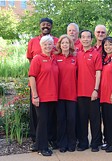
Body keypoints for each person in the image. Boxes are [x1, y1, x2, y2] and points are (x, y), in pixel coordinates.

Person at [26, 18, 58, 151]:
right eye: (45, 45)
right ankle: (41, 146)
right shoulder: (37, 58)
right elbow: (32, 75)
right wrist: (35, 94)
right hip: (39, 93)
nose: (48, 46)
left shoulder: (54, 59)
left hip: (52, 93)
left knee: (46, 120)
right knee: (41, 120)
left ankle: (41, 143)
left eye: (50, 45)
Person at [76, 30, 102, 152]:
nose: (85, 39)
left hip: (93, 92)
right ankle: (83, 143)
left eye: (88, 37)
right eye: (83, 37)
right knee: (82, 119)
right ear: (80, 39)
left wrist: (96, 89)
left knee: (95, 119)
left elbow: (98, 72)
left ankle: (95, 143)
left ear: (91, 39)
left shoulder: (96, 54)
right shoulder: (77, 54)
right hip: (80, 92)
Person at [54, 35, 77, 153]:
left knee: (72, 120)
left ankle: (72, 143)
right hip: (59, 94)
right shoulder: (55, 57)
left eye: (67, 43)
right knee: (61, 120)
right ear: (59, 45)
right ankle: (62, 143)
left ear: (70, 44)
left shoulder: (75, 58)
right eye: (62, 43)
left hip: (72, 94)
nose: (65, 45)